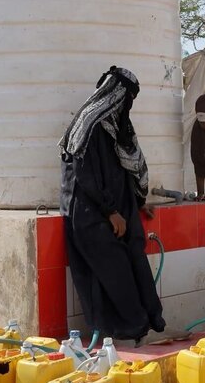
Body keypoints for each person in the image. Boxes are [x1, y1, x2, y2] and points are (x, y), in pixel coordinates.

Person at [59, 66, 165, 346]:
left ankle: (147, 322)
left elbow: (125, 169)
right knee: (113, 275)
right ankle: (128, 331)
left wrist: (137, 203)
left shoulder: (115, 126)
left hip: (117, 212)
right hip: (91, 215)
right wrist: (111, 212)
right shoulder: (89, 125)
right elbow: (86, 175)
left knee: (133, 263)